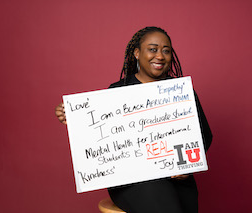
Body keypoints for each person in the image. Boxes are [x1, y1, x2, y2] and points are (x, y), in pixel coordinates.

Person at [55, 26, 212, 213]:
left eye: (166, 51)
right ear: (137, 53)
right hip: (133, 182)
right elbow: (100, 138)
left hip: (176, 180)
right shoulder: (118, 91)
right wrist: (73, 116)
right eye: (153, 49)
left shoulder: (181, 91)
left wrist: (187, 167)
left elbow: (204, 136)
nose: (160, 56)